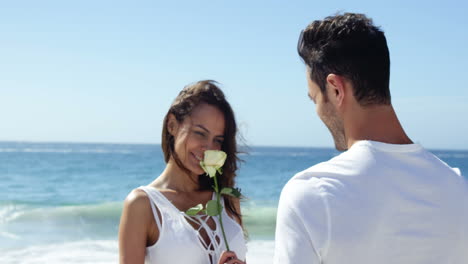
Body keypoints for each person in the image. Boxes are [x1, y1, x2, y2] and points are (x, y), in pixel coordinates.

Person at [273, 13, 468, 264]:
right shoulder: (458, 189)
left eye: (315, 99)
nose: (317, 111)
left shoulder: (313, 193)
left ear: (335, 89)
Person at [118, 80, 247, 264]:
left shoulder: (227, 199)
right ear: (172, 125)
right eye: (200, 133)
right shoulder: (143, 205)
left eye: (217, 140)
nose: (208, 148)